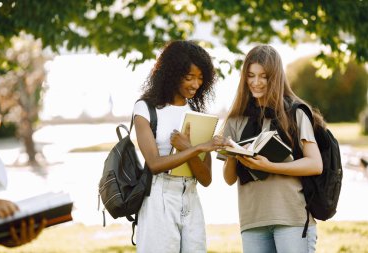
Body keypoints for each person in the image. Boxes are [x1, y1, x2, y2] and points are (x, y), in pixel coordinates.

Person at [220, 45, 324, 253]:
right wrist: (233, 152)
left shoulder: (295, 113)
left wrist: (271, 166)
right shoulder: (235, 120)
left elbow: (315, 164)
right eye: (250, 75)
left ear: (275, 77)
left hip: (291, 217)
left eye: (263, 76)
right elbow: (229, 179)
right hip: (252, 220)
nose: (256, 82)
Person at [133, 40, 223, 253]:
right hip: (158, 197)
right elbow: (154, 164)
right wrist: (198, 148)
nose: (195, 84)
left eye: (201, 78)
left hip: (191, 197)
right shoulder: (145, 108)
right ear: (172, 73)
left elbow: (206, 179)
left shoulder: (197, 114)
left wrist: (189, 148)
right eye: (189, 77)